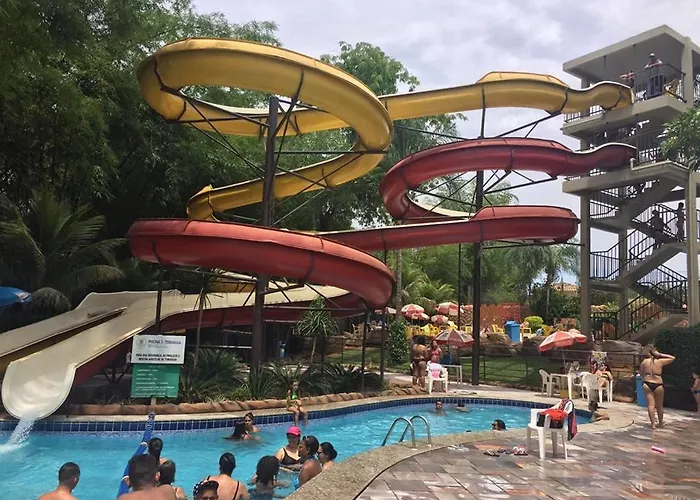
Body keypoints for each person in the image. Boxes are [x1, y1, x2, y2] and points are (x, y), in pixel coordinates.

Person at [639, 346, 676, 428]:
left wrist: (645, 377)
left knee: (651, 404)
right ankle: (660, 423)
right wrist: (660, 354)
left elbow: (641, 373)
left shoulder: (644, 362)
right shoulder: (660, 361)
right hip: (658, 383)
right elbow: (672, 358)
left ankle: (653, 424)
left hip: (647, 383)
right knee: (659, 405)